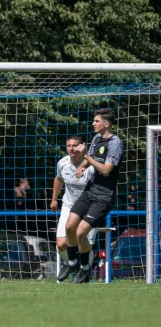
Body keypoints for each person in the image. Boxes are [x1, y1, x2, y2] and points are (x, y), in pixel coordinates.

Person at [60, 109, 124, 283]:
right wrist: (83, 166)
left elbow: (105, 169)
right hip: (90, 191)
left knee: (81, 232)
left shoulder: (115, 143)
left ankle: (85, 269)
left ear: (106, 123)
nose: (93, 123)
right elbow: (92, 158)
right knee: (69, 226)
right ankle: (72, 262)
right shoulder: (96, 138)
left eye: (96, 121)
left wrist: (86, 156)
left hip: (104, 196)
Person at [50, 135, 96, 282]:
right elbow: (58, 179)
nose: (71, 148)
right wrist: (54, 199)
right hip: (69, 205)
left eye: (75, 145)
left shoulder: (92, 165)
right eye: (69, 145)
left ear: (82, 146)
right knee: (61, 243)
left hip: (90, 206)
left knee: (83, 241)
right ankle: (72, 263)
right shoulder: (62, 163)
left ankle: (85, 272)